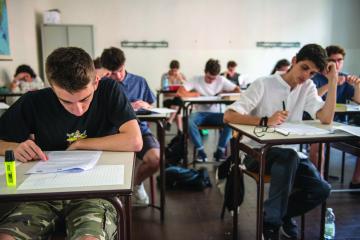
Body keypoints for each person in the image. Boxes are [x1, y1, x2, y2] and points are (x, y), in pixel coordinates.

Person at [0, 47, 142, 239]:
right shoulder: (34, 102)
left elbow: (134, 140)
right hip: (41, 192)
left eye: (85, 99)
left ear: (96, 82)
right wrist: (13, 148)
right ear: (52, 87)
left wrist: (81, 144)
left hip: (95, 192)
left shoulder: (109, 90)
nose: (78, 109)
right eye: (66, 102)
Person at [224, 44, 337, 240]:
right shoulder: (264, 83)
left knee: (322, 189)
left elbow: (326, 118)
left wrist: (333, 81)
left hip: (290, 155)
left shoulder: (308, 87)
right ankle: (271, 225)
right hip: (256, 152)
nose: (306, 76)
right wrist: (265, 121)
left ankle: (278, 214)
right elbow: (228, 116)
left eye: (312, 73)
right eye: (304, 68)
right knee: (289, 157)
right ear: (294, 61)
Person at [100, 47, 160, 205]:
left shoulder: (139, 81)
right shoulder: (100, 84)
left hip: (139, 131)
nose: (118, 76)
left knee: (155, 159)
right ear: (105, 70)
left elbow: (152, 105)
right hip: (110, 134)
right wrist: (125, 107)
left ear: (124, 64)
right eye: (112, 73)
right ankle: (109, 196)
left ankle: (136, 184)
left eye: (120, 70)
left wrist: (146, 105)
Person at [309, 45, 360, 187]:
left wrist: (357, 86)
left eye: (340, 60)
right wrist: (332, 82)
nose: (336, 64)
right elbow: (311, 97)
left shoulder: (346, 77)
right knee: (318, 145)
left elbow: (358, 101)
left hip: (341, 123)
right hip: (318, 122)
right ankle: (318, 182)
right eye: (332, 60)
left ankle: (356, 180)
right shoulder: (316, 77)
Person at [177, 59, 240, 162]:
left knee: (231, 121)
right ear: (204, 71)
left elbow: (237, 89)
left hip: (217, 115)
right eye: (209, 77)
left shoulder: (221, 79)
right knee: (189, 121)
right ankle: (201, 152)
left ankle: (220, 151)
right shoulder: (196, 79)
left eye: (214, 78)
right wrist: (195, 94)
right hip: (199, 114)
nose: (211, 81)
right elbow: (180, 92)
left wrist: (225, 92)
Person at [161, 60, 186, 132]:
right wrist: (177, 93)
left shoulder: (181, 76)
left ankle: (169, 122)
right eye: (173, 71)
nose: (174, 73)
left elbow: (187, 88)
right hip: (168, 100)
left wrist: (181, 79)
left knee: (178, 101)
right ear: (170, 69)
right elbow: (165, 92)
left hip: (178, 100)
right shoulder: (165, 76)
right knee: (178, 107)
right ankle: (180, 132)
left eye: (176, 71)